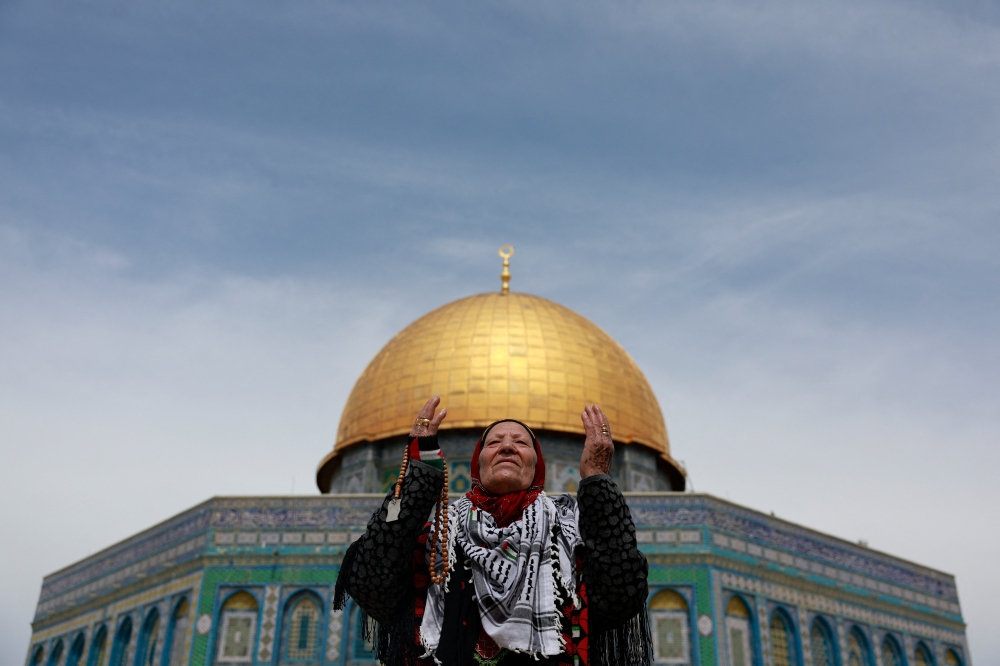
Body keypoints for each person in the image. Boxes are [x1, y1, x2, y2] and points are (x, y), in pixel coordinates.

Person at [335, 396, 650, 666]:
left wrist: (597, 480)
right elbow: (370, 580)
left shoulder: (567, 542)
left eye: (521, 442)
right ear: (478, 463)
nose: (508, 447)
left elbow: (620, 593)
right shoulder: (436, 543)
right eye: (495, 442)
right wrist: (418, 477)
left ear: (537, 465)